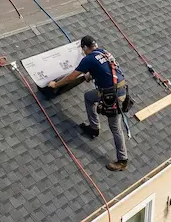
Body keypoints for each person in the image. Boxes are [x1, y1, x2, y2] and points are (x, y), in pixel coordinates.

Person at [48, 35, 130, 171]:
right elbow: (107, 69)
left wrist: (55, 85)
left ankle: (122, 160)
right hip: (120, 89)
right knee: (89, 97)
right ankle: (94, 128)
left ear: (85, 47)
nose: (83, 52)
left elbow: (71, 77)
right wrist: (91, 75)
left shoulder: (89, 59)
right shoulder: (103, 52)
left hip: (112, 96)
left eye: (83, 49)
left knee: (115, 127)